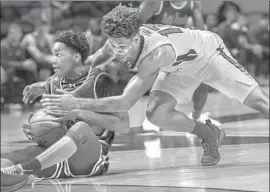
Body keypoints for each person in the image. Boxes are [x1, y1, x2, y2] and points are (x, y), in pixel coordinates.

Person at [42, 4, 268, 164]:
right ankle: (209, 134)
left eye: (123, 46)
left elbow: (124, 103)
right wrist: (46, 84)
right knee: (156, 113)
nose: (118, 51)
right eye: (114, 45)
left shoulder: (155, 55)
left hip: (209, 56)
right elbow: (91, 62)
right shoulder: (119, 38)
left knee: (260, 104)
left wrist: (76, 103)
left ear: (137, 38)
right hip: (180, 67)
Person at [1, 30, 129, 192]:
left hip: (89, 159)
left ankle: (25, 168)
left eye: (59, 55)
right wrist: (36, 129)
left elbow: (124, 125)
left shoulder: (101, 81)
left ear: (76, 57)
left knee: (81, 128)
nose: (53, 60)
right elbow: (53, 124)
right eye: (53, 54)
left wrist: (78, 113)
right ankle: (17, 170)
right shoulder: (53, 82)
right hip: (56, 158)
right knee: (8, 160)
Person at [137, 0, 220, 128]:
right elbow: (136, 24)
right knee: (157, 78)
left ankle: (197, 115)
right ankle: (151, 117)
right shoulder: (155, 3)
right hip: (157, 48)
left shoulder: (193, 4)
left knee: (201, 78)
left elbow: (200, 30)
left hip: (179, 48)